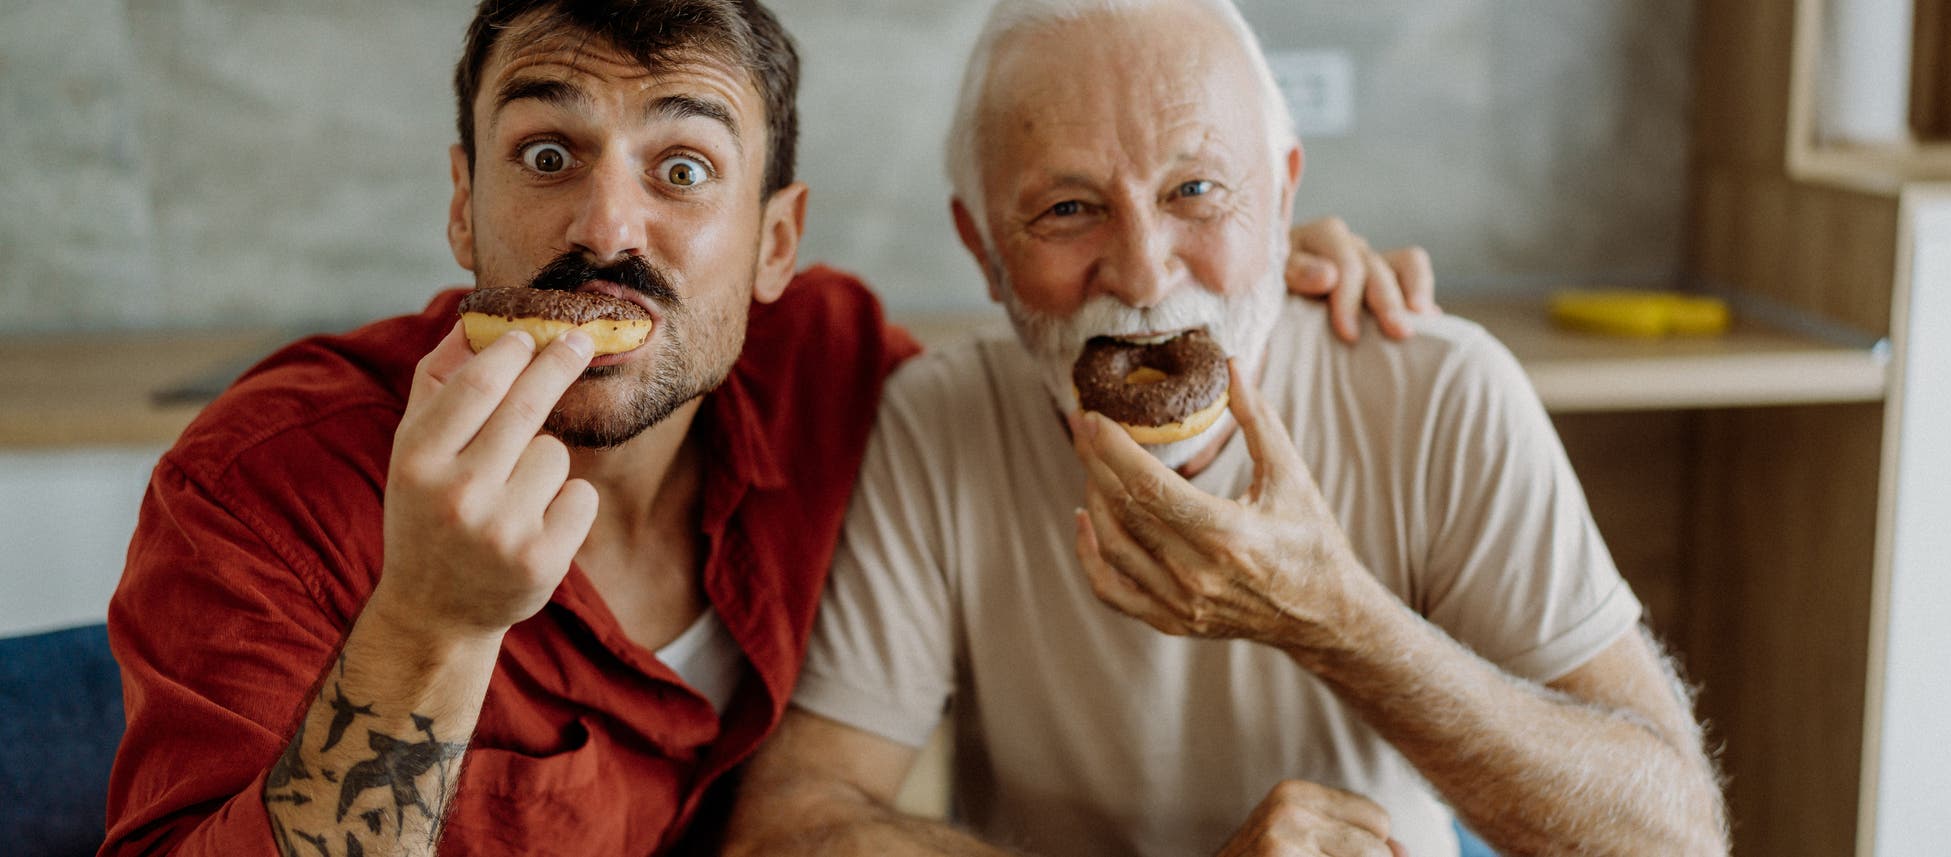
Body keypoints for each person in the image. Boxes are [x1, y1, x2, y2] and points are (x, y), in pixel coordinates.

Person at [95, 1, 1427, 855]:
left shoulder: (835, 373)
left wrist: (1227, 272)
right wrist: (430, 628)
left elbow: (1067, 335)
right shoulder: (258, 487)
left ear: (775, 241)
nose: (606, 228)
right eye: (547, 155)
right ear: (464, 206)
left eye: (684, 170)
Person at [722, 1, 1731, 856]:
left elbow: (1673, 833)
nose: (1145, 271)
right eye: (1068, 208)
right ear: (982, 250)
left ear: (1284, 192)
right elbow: (793, 828)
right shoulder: (938, 423)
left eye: (1194, 190)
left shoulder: (1437, 390)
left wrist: (1337, 619)